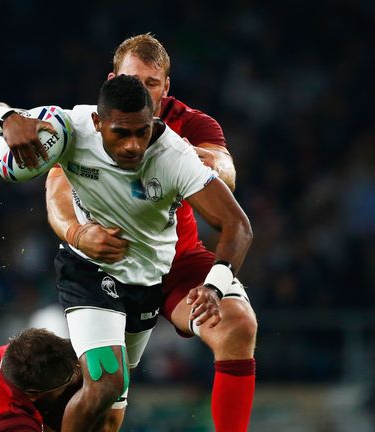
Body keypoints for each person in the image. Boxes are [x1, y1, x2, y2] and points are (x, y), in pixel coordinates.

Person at [0, 74, 253, 432]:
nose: (134, 145)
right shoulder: (68, 127)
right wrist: (7, 119)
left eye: (142, 132)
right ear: (97, 122)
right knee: (105, 384)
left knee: (110, 418)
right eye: (121, 133)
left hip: (145, 283)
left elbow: (237, 225)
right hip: (88, 271)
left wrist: (214, 286)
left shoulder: (174, 156)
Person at [43, 34, 257, 432]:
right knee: (105, 408)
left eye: (152, 84)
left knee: (238, 325)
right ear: (113, 81)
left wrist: (189, 159)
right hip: (110, 260)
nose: (141, 91)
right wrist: (76, 232)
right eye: (132, 81)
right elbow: (57, 187)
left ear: (166, 87)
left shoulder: (189, 128)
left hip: (178, 260)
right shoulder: (92, 124)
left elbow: (225, 174)